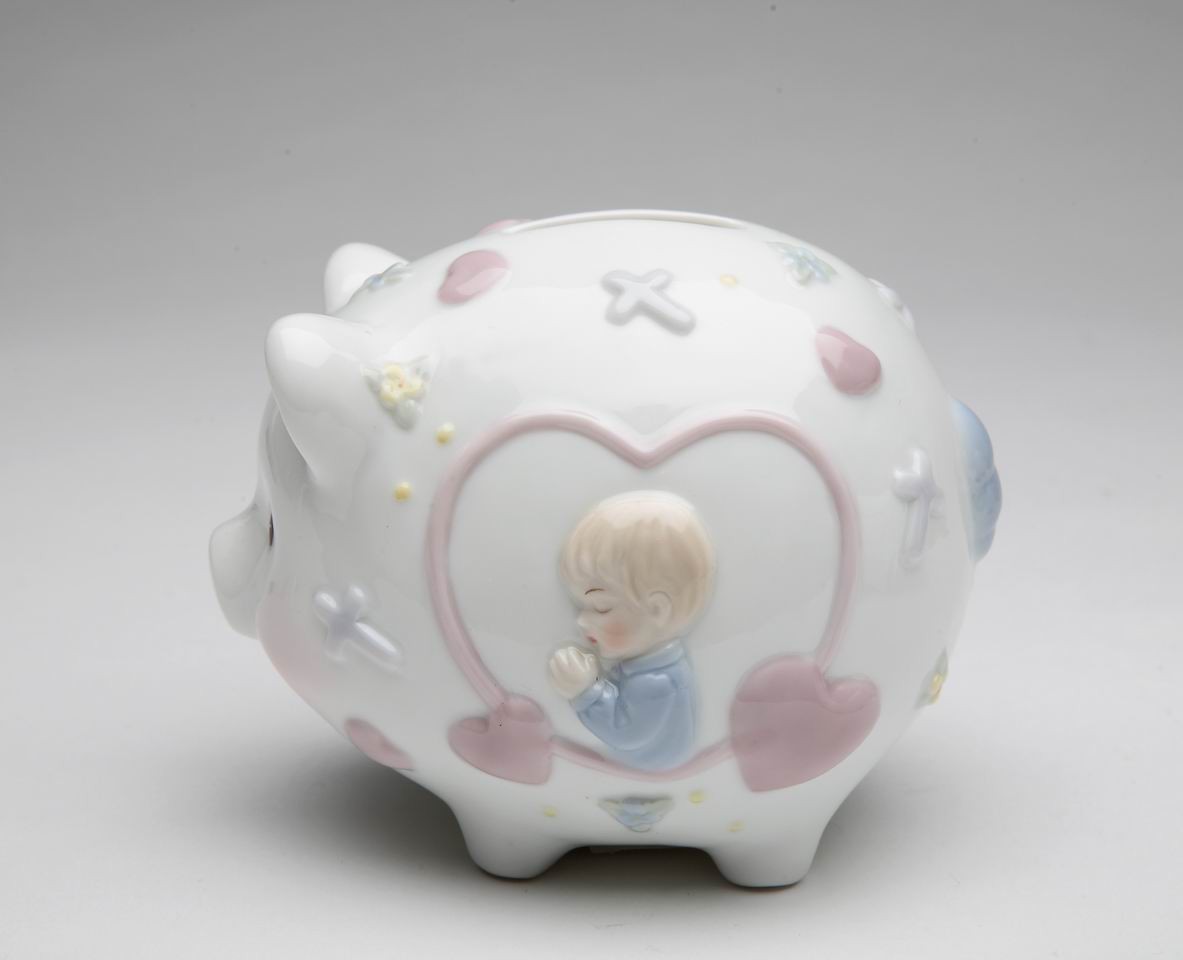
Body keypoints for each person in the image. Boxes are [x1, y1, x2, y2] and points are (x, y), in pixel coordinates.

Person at [547, 491, 715, 771]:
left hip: (645, 769)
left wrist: (586, 691)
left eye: (601, 607)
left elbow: (625, 733)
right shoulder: (650, 667)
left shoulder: (655, 682)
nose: (582, 621)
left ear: (658, 610)